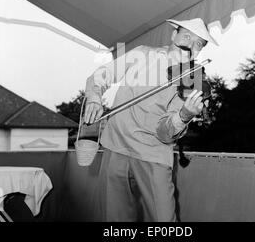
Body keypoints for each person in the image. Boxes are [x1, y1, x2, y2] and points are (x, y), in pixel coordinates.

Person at [84, 18, 218, 222]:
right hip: (115, 146)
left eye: (198, 43)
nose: (190, 45)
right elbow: (103, 74)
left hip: (153, 154)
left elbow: (164, 134)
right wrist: (94, 98)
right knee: (114, 219)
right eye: (187, 36)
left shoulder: (192, 79)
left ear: (199, 52)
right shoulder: (142, 53)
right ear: (174, 35)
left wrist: (184, 115)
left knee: (165, 221)